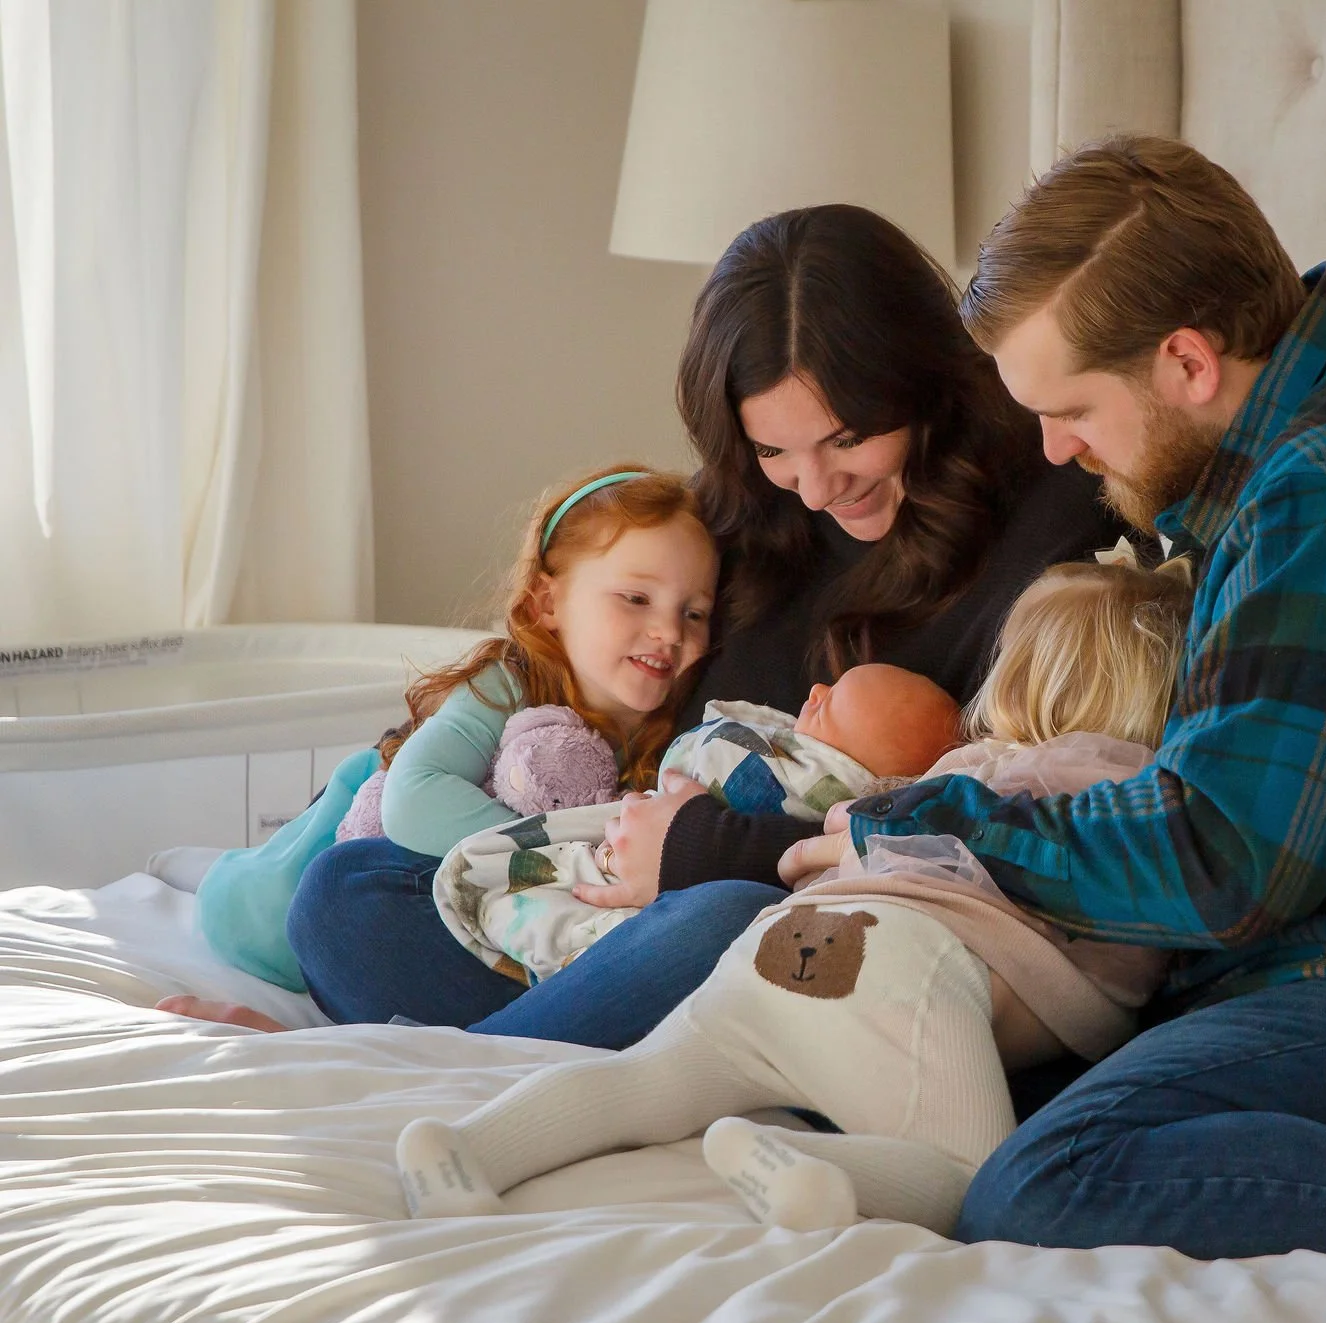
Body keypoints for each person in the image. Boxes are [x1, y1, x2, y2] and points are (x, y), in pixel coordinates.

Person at [780, 134, 1326, 1263]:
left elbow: (1220, 865)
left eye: (1070, 407)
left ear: (1186, 362)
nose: (1054, 447)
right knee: (891, 1103)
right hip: (1316, 958)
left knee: (1041, 1186)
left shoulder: (1324, 494)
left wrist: (921, 821)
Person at [273, 204, 1129, 1047]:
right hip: (609, 914)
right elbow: (571, 667)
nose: (817, 484)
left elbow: (1004, 837)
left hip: (790, 922)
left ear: (925, 378)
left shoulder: (1051, 526)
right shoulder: (740, 517)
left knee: (720, 920)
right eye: (774, 449)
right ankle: (566, 1050)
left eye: (848, 438)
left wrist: (715, 850)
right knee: (344, 893)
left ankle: (507, 1069)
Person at [392, 554, 1194, 1239]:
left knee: (646, 1082)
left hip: (787, 938)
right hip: (904, 964)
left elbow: (841, 833)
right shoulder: (1125, 782)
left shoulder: (956, 774)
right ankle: (810, 1170)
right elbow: (1134, 947)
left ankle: (467, 1146)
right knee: (974, 1178)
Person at [162, 463, 720, 1030]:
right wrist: (563, 862)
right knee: (253, 901)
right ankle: (204, 870)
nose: (670, 632)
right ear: (546, 605)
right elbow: (415, 799)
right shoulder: (510, 683)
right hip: (357, 822)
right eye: (635, 598)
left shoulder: (677, 733)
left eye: (693, 612)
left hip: (464, 910)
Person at [435, 662, 962, 983]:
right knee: (358, 877)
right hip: (624, 848)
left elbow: (724, 772)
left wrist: (688, 835)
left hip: (671, 918)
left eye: (829, 708)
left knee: (709, 917)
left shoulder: (828, 794)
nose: (815, 690)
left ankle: (511, 1025)